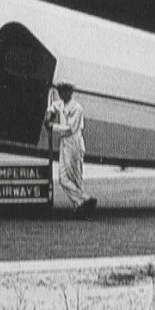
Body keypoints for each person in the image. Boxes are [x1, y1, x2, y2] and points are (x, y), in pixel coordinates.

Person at [45, 82, 96, 218]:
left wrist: (52, 126)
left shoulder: (77, 108)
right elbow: (54, 106)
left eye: (65, 91)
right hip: (64, 143)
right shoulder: (61, 103)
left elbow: (70, 129)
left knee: (75, 177)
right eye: (61, 91)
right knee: (63, 178)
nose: (63, 94)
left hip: (74, 142)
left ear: (71, 92)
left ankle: (81, 207)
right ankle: (83, 200)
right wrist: (50, 113)